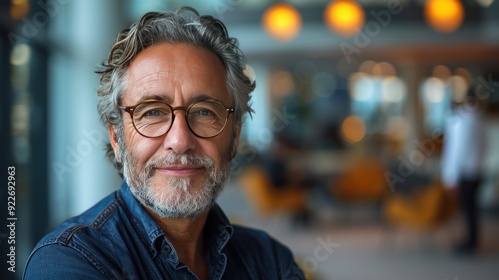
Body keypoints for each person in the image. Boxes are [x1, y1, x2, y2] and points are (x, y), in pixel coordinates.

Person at [24, 7, 305, 279]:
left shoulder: (272, 260)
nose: (180, 141)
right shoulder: (69, 260)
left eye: (205, 112)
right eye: (152, 112)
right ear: (116, 138)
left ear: (235, 134)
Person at [441, 89, 487, 255]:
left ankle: (470, 242)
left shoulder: (460, 120)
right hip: (476, 170)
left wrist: (450, 176)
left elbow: (455, 151)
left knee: (467, 209)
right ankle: (471, 240)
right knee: (472, 208)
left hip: (465, 173)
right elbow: (483, 146)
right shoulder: (480, 119)